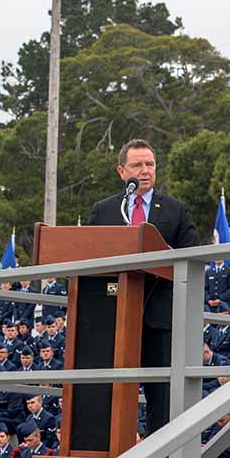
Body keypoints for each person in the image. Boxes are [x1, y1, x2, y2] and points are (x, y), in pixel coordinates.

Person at [87, 138, 199, 437]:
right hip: (112, 315)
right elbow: (85, 257)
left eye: (150, 164)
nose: (145, 170)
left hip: (159, 316)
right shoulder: (104, 211)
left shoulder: (175, 210)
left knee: (160, 391)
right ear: (122, 172)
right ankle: (108, 450)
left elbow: (192, 260)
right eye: (138, 165)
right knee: (109, 388)